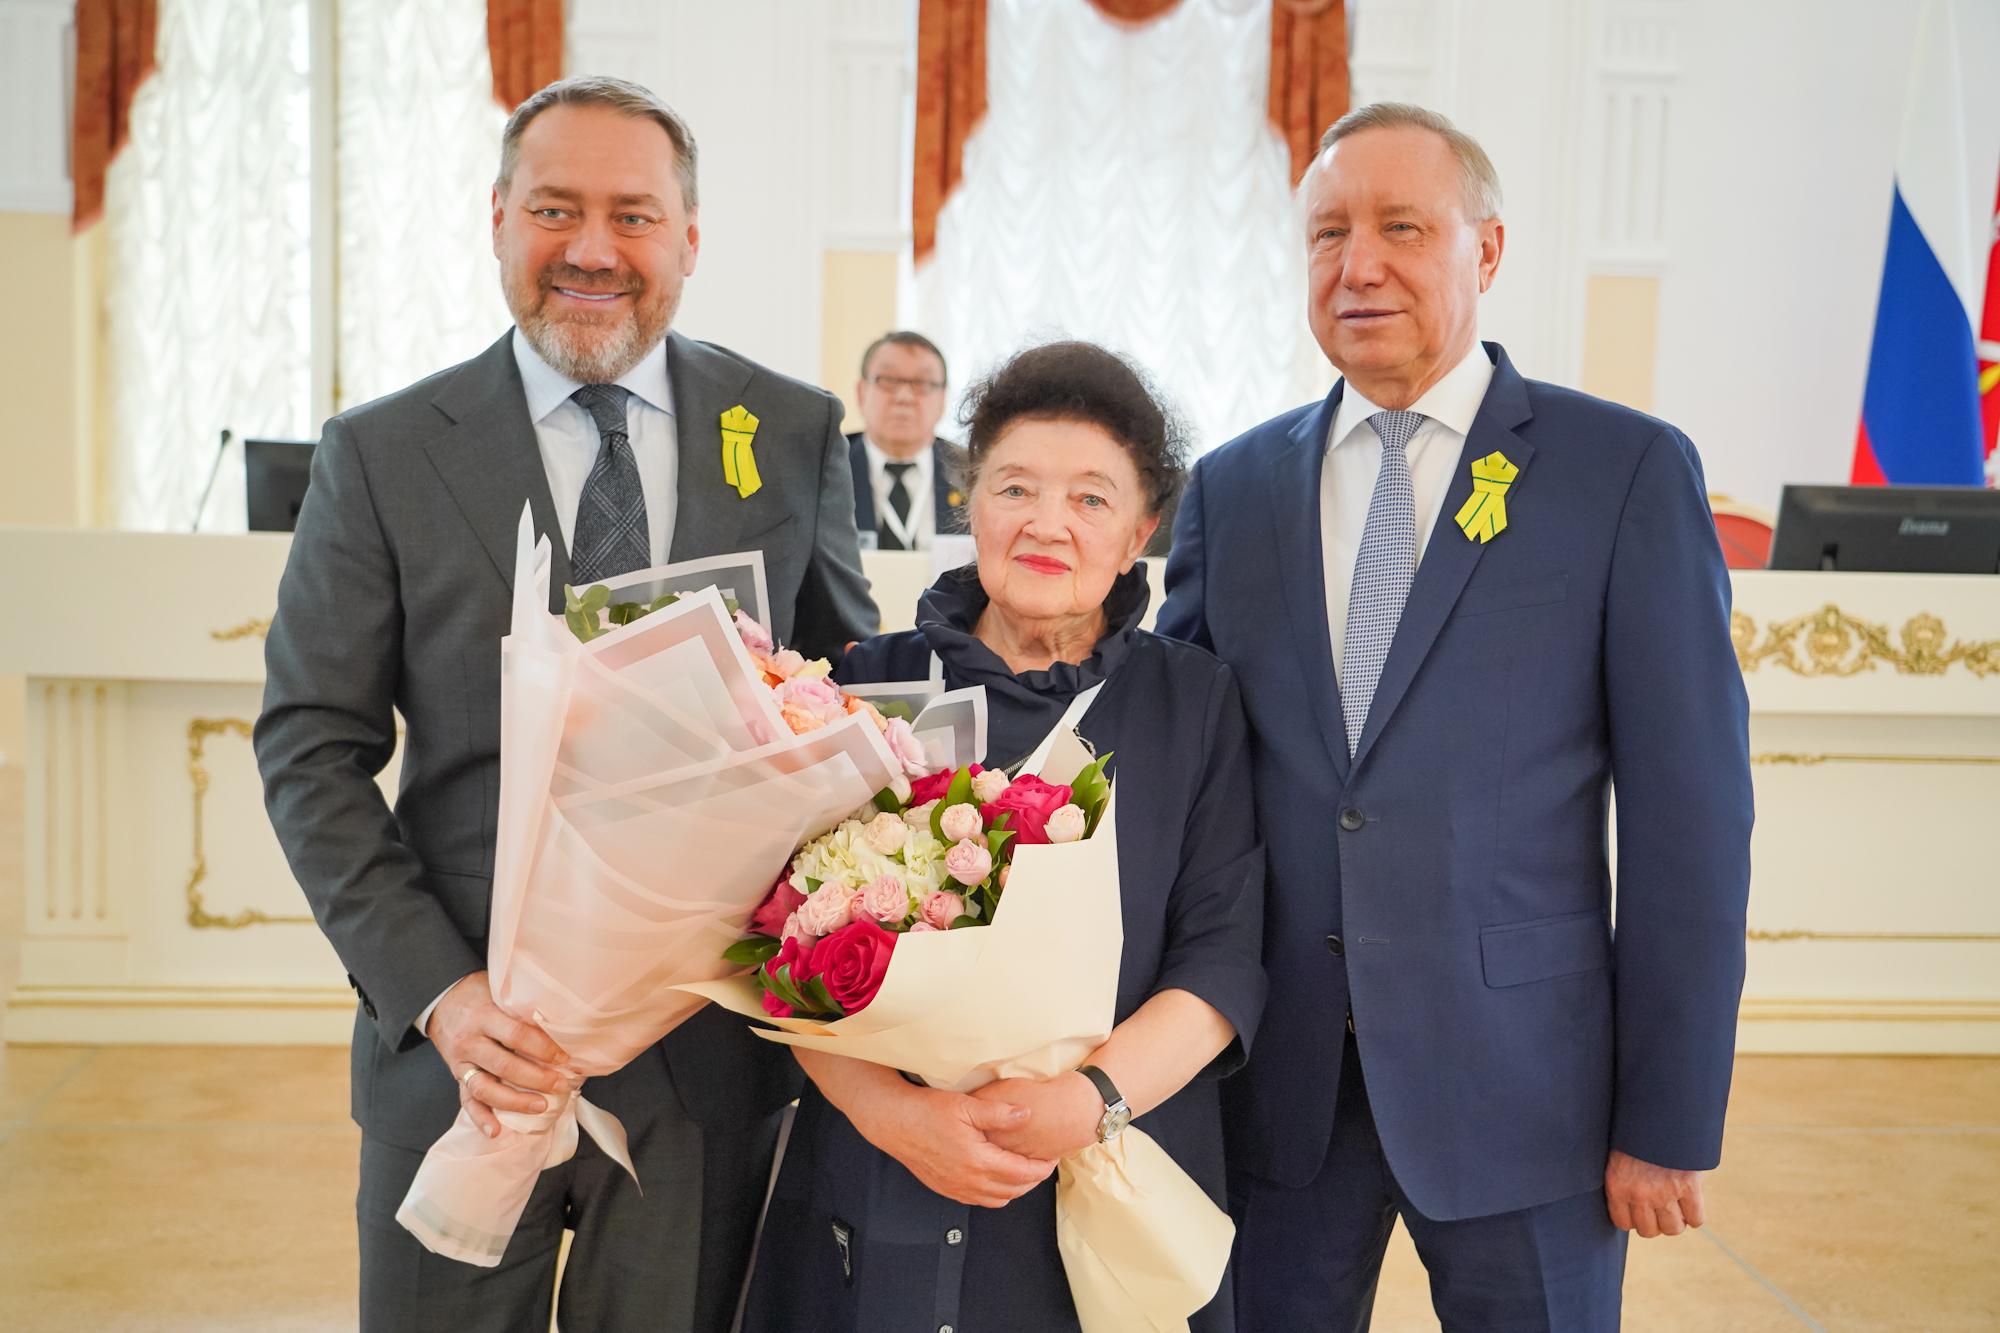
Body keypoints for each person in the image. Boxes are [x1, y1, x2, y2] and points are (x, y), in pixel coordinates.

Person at [254, 75, 877, 1332]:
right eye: (554, 209)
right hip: (463, 1054)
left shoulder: (791, 429)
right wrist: (440, 994)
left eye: (632, 215)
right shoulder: (381, 453)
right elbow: (311, 747)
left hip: (706, 1064)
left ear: (688, 239)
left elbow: (844, 707)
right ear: (497, 218)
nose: (592, 249)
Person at [1156, 102, 1753, 1330]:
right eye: (1327, 233)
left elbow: (1689, 821)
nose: (1356, 265)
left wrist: (1667, 1113)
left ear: (1484, 250)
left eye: (1400, 227)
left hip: (1527, 1098)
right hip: (1277, 1093)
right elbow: (1177, 778)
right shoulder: (1232, 486)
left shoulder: (1619, 472)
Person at [742, 341, 1267, 1333]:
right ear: (969, 499)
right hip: (886, 1162)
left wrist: (1091, 1099)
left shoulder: (1192, 702)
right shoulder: (864, 684)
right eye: (1015, 486)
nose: (1046, 522)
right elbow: (777, 944)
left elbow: (1222, 959)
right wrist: (892, 1113)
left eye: (1090, 498)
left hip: (1106, 1165)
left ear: (1139, 533)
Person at [846, 329, 969, 550]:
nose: (904, 397)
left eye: (922, 383)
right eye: (888, 380)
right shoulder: (828, 468)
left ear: (943, 399)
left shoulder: (970, 472)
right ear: (861, 392)